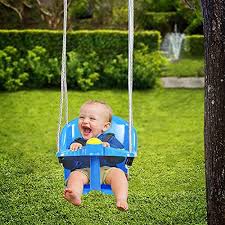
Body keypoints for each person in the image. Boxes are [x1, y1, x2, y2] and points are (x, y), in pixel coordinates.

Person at [63, 100, 129, 211]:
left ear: (105, 126)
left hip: (108, 171)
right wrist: (73, 151)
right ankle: (74, 195)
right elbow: (68, 165)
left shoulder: (110, 139)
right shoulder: (77, 142)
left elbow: (120, 157)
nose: (85, 121)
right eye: (82, 117)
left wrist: (108, 147)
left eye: (92, 118)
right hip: (83, 172)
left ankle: (121, 199)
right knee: (75, 176)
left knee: (119, 175)